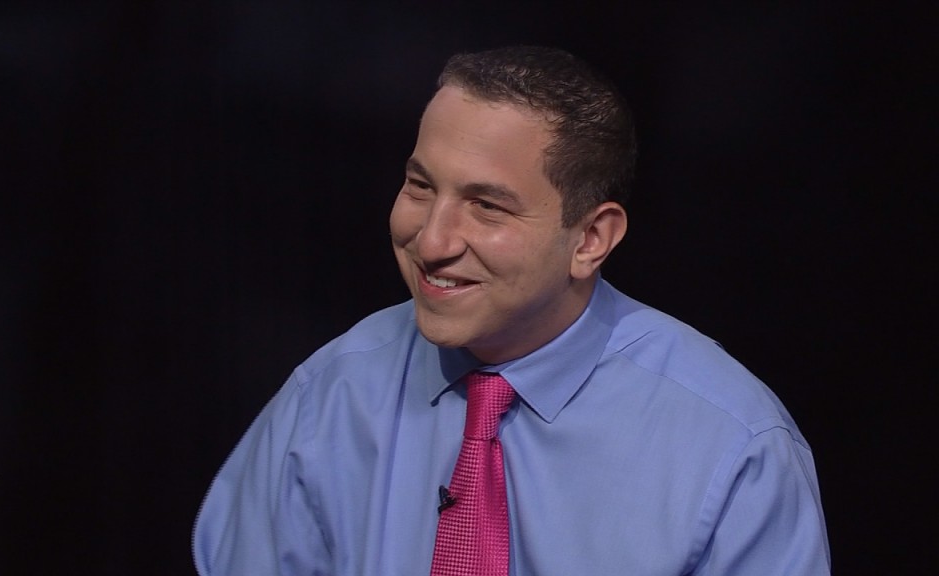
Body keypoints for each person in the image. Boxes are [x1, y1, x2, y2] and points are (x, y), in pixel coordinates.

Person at [193, 46, 831, 575]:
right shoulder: (325, 400)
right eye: (420, 187)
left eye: (487, 207)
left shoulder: (732, 448)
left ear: (591, 239)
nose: (432, 242)